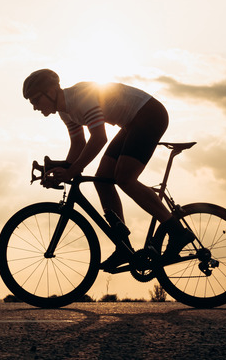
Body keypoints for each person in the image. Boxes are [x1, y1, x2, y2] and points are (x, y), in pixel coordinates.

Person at [22, 68, 194, 270]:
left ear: (51, 91)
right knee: (102, 180)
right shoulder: (64, 111)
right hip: (132, 123)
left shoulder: (79, 98)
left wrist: (70, 171)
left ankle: (177, 232)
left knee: (124, 178)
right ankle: (123, 247)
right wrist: (61, 170)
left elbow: (99, 138)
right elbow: (78, 145)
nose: (34, 107)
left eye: (35, 100)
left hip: (149, 114)